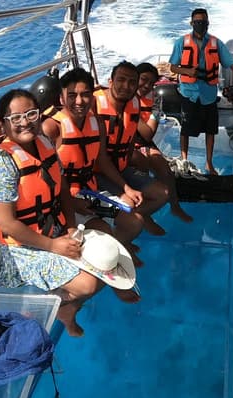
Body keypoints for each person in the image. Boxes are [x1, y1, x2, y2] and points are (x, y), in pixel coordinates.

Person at [0, 89, 104, 337]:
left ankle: (66, 308)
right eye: (15, 118)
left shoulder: (45, 142)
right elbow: (7, 224)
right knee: (89, 283)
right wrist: (53, 246)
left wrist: (70, 227)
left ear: (39, 115)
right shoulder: (0, 163)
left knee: (105, 260)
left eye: (30, 114)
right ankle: (52, 308)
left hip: (54, 231)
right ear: (2, 123)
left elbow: (62, 193)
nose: (25, 121)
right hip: (22, 249)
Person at [42, 68, 148, 268]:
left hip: (90, 193)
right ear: (61, 98)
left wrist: (126, 187)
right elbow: (47, 180)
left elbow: (103, 160)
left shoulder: (96, 123)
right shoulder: (51, 128)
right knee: (104, 233)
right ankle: (110, 259)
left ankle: (120, 244)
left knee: (134, 221)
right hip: (64, 200)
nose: (79, 101)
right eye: (72, 95)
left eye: (85, 95)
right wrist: (72, 204)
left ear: (93, 96)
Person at [93, 61, 177, 236]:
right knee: (129, 206)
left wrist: (130, 163)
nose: (126, 86)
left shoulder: (137, 104)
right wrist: (126, 187)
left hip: (122, 165)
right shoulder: (95, 105)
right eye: (121, 80)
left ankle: (141, 219)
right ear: (110, 82)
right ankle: (129, 231)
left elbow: (134, 139)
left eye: (132, 82)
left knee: (163, 193)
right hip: (98, 173)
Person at [168, 8, 233, 175]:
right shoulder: (181, 42)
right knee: (186, 129)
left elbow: (231, 63)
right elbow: (173, 66)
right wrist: (187, 72)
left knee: (211, 129)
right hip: (189, 92)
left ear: (208, 23)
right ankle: (184, 160)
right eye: (197, 22)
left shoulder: (216, 43)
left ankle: (209, 163)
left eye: (203, 22)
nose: (200, 25)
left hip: (209, 94)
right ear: (191, 23)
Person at [131, 61, 194, 223]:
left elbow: (148, 134)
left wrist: (132, 115)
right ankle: (144, 215)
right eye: (143, 79)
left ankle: (175, 207)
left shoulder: (156, 99)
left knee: (166, 172)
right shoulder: (125, 96)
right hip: (125, 144)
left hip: (143, 142)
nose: (146, 85)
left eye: (151, 83)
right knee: (140, 163)